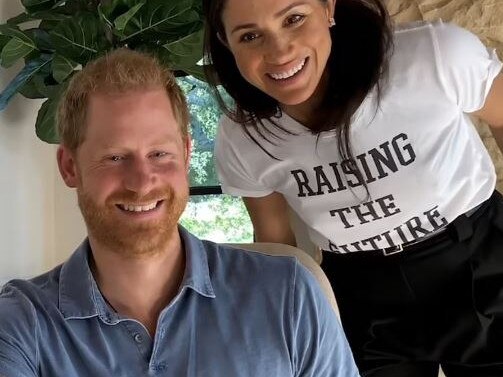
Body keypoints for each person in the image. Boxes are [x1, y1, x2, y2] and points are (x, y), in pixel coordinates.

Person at [0, 49, 360, 377]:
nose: (141, 183)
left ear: (187, 155)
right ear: (69, 167)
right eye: (114, 157)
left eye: (160, 154)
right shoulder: (21, 324)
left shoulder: (289, 295)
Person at [202, 0, 503, 375]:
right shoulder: (243, 139)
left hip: (477, 264)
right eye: (249, 35)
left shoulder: (433, 55)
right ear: (226, 42)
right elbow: (277, 245)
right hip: (361, 298)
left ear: (328, 8)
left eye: (294, 18)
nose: (279, 52)